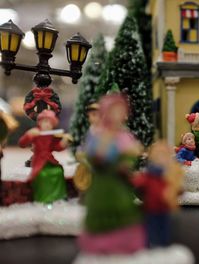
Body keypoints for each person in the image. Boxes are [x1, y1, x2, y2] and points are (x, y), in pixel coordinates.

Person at [79, 94, 145, 254]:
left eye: (121, 111)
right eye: (113, 111)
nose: (118, 116)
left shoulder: (125, 135)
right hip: (103, 180)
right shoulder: (99, 134)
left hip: (119, 182)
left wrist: (130, 157)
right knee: (103, 206)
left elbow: (132, 154)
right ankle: (102, 241)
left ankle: (123, 241)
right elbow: (91, 155)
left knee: (123, 205)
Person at [133, 141, 183, 248]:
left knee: (164, 228)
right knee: (150, 227)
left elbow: (174, 187)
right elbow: (140, 182)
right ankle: (149, 244)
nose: (161, 158)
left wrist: (177, 190)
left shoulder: (170, 174)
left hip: (164, 207)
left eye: (164, 155)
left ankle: (163, 244)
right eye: (158, 155)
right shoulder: (149, 174)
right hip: (151, 208)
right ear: (152, 157)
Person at [18, 110, 69, 204]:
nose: (47, 125)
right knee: (42, 175)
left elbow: (56, 147)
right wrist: (29, 135)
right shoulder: (36, 133)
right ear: (40, 122)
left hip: (50, 161)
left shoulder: (52, 135)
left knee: (58, 171)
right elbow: (22, 144)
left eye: (50, 123)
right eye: (45, 121)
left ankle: (58, 196)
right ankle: (43, 197)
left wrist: (64, 142)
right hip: (39, 161)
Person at [73, 101, 100, 201]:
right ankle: (84, 192)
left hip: (98, 158)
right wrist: (80, 150)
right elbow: (86, 144)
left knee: (91, 171)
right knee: (81, 169)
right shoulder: (91, 129)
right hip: (88, 156)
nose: (92, 118)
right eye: (91, 115)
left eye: (95, 115)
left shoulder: (102, 131)